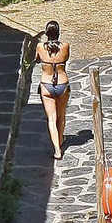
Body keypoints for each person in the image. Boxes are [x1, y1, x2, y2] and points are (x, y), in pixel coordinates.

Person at [35, 20, 70, 159]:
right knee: (61, 117)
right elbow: (66, 58)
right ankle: (60, 139)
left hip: (46, 84)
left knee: (51, 118)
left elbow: (36, 59)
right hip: (62, 83)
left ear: (46, 33)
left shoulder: (40, 47)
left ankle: (57, 150)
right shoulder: (66, 46)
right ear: (58, 33)